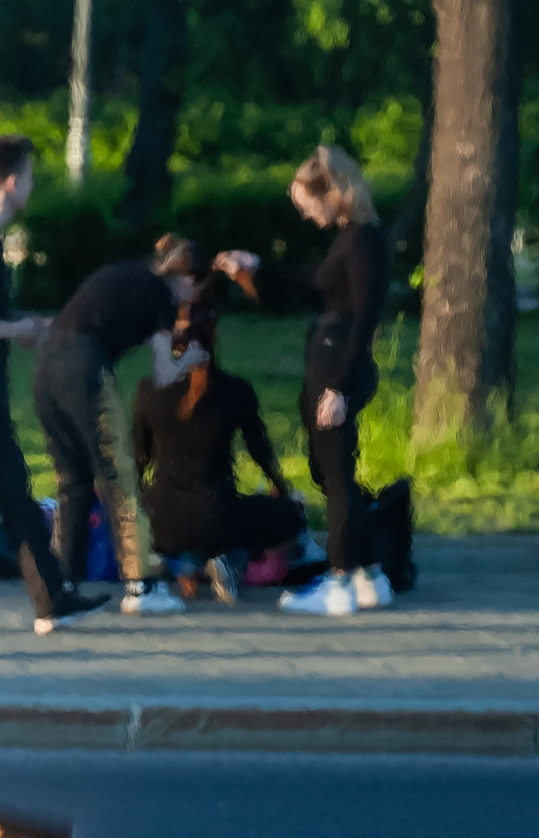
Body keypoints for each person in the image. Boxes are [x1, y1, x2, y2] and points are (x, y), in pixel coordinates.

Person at [0, 135, 111, 636]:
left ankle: (52, 599)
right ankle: (51, 601)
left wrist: (15, 323)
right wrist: (20, 330)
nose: (33, 187)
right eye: (32, 178)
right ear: (14, 181)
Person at [30, 234, 211, 616]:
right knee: (119, 477)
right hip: (85, 371)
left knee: (72, 481)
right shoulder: (162, 296)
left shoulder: (121, 274)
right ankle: (140, 585)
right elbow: (164, 374)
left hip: (45, 371)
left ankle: (64, 583)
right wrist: (191, 357)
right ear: (189, 279)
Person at [249, 144, 395, 617]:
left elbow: (367, 314)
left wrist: (340, 386)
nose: (304, 211)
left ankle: (338, 582)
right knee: (329, 470)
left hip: (339, 360)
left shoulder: (364, 239)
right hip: (331, 355)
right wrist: (260, 267)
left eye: (306, 202)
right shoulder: (350, 237)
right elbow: (317, 280)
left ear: (330, 192)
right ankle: (370, 574)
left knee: (334, 473)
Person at [130, 287, 303, 603]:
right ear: (216, 334)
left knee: (158, 517)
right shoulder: (236, 390)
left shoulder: (148, 390)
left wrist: (130, 501)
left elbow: (138, 459)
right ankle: (224, 560)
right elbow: (259, 450)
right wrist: (282, 487)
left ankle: (183, 563)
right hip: (217, 516)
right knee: (290, 515)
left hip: (161, 519)